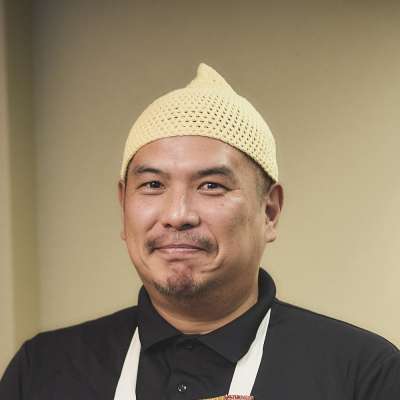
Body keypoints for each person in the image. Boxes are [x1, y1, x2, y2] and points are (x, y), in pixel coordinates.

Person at [1, 63, 399, 400]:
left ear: (270, 211)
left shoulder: (363, 375)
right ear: (123, 206)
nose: (177, 215)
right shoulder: (43, 370)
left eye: (211, 185)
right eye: (153, 185)